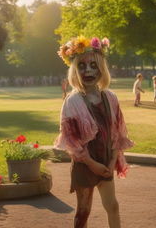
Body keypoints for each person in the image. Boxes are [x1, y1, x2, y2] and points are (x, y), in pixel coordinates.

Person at [54, 36, 134, 228]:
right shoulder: (72, 103)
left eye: (93, 65)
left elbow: (117, 133)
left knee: (112, 205)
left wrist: (112, 161)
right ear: (75, 70)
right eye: (82, 66)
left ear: (101, 69)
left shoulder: (110, 97)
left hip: (106, 160)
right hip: (85, 164)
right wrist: (92, 164)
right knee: (83, 211)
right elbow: (72, 142)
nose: (88, 70)